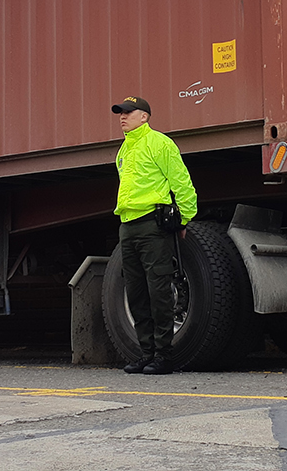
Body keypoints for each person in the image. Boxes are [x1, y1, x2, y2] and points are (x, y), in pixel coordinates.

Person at [111, 96, 198, 376]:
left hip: (151, 225)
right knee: (136, 292)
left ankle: (163, 356)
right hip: (127, 225)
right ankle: (146, 354)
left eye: (128, 112)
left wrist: (183, 218)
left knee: (158, 291)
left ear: (144, 116)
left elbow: (181, 182)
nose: (122, 117)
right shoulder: (123, 150)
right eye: (120, 113)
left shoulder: (160, 143)